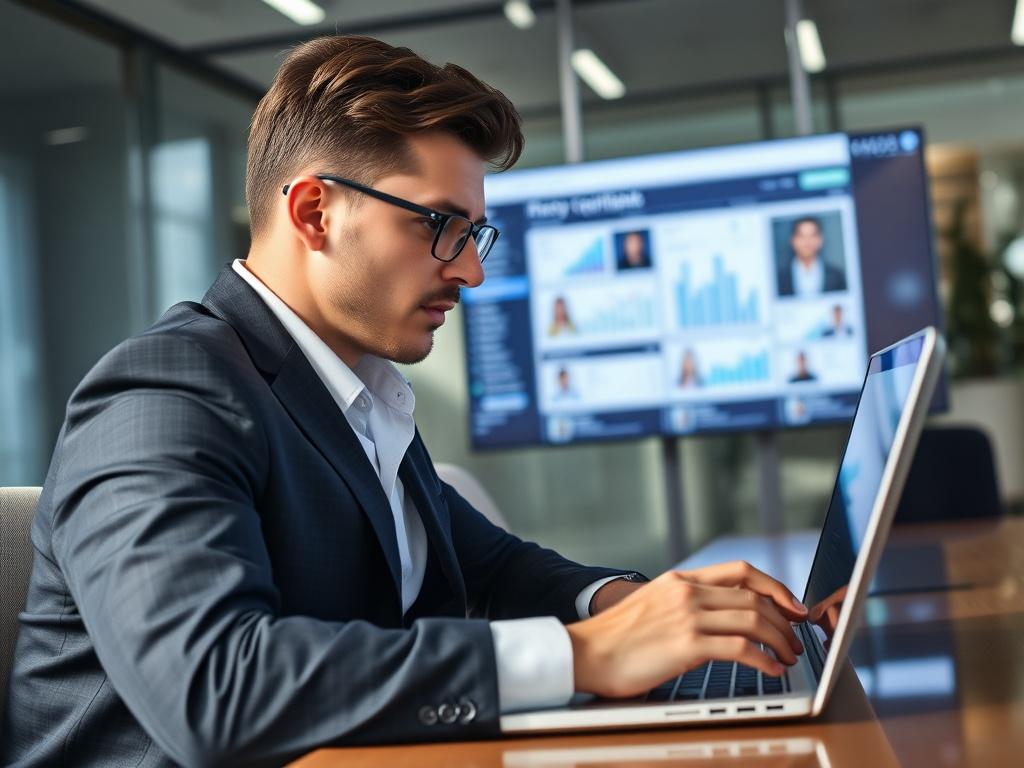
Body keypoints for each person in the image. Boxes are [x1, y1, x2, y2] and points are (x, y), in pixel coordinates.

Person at [3, 35, 808, 766]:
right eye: (440, 226)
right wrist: (585, 654)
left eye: (474, 234)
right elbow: (215, 692)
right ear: (314, 211)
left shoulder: (352, 388)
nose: (470, 272)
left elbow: (484, 568)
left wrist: (633, 606)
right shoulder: (165, 392)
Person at [776, 216, 846, 297]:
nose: (807, 242)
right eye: (802, 236)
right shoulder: (780, 278)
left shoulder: (836, 275)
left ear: (820, 240)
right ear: (793, 240)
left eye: (812, 236)